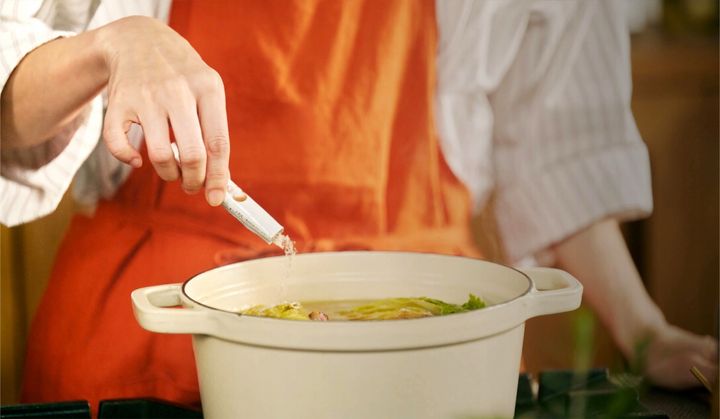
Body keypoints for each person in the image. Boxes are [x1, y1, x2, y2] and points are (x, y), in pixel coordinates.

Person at [1, 0, 715, 410]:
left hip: (429, 357)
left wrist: (645, 330)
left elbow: (558, 149)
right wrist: (111, 47)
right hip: (154, 333)